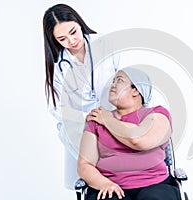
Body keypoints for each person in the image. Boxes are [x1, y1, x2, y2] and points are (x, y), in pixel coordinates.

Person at [43, 3, 119, 190]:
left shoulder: (105, 45)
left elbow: (129, 80)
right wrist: (86, 118)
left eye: (73, 32)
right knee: (94, 172)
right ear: (54, 40)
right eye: (62, 38)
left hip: (116, 117)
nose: (71, 41)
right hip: (82, 128)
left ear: (79, 23)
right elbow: (57, 108)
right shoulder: (58, 67)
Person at [78, 67, 181, 200]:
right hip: (110, 185)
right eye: (113, 81)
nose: (113, 84)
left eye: (119, 80)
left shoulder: (157, 114)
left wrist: (108, 120)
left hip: (155, 184)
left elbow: (139, 140)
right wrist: (104, 183)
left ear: (136, 90)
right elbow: (84, 164)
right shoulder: (96, 119)